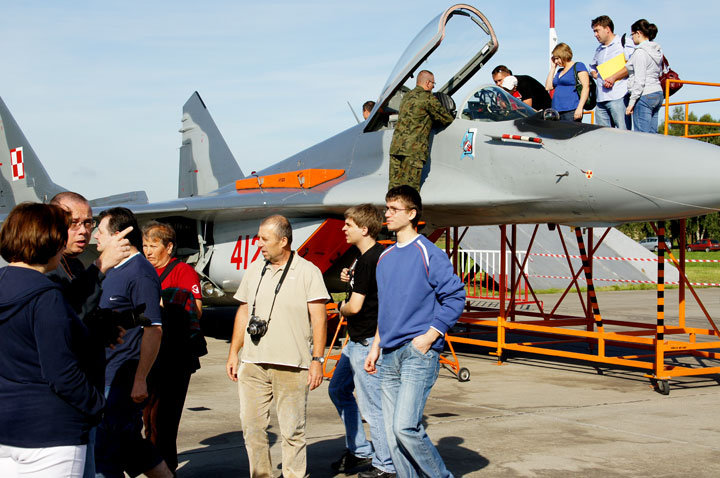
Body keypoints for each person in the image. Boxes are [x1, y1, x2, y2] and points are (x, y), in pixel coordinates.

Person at [365, 186, 465, 478]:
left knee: (405, 427)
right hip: (388, 355)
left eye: (394, 209)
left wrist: (430, 336)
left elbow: (455, 297)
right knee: (393, 437)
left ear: (412, 214)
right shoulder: (385, 258)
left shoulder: (428, 253)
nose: (387, 214)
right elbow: (387, 308)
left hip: (416, 354)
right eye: (387, 208)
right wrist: (375, 348)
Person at [0, 203, 105, 477]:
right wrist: (96, 405)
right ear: (51, 240)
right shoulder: (46, 297)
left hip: (6, 428)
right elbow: (62, 374)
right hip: (50, 433)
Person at [225, 215, 330, 478]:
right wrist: (233, 353)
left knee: (292, 431)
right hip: (253, 364)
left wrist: (317, 359)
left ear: (283, 241)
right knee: (252, 428)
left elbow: (319, 317)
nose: (258, 244)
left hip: (292, 366)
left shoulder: (308, 272)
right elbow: (244, 310)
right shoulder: (253, 270)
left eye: (264, 239)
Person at [47, 191, 132, 478]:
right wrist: (101, 266)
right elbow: (61, 320)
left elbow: (79, 316)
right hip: (62, 408)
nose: (84, 230)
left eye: (88, 222)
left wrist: (102, 327)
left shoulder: (73, 264)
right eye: (74, 223)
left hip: (85, 401)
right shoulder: (47, 268)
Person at [93, 207, 172, 478]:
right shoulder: (113, 269)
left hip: (122, 378)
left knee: (105, 453)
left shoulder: (140, 273)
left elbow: (153, 330)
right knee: (128, 444)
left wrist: (140, 379)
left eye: (100, 232)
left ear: (119, 236)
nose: (95, 238)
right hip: (106, 373)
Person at [328, 205, 395, 478]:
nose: (344, 228)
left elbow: (354, 307)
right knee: (338, 389)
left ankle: (385, 465)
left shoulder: (370, 259)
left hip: (367, 341)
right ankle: (360, 450)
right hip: (356, 341)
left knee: (372, 406)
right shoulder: (363, 257)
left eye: (349, 225)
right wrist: (350, 277)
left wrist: (337, 307)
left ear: (364, 229)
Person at [142, 221, 206, 475]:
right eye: (145, 245)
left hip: (174, 358)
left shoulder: (183, 272)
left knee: (164, 420)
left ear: (169, 247)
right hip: (149, 356)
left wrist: (163, 305)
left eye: (153, 246)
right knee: (148, 420)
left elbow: (197, 310)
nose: (147, 251)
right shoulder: (145, 272)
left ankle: (166, 468)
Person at [388, 70, 454, 191]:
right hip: (413, 151)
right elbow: (446, 119)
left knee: (394, 190)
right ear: (428, 83)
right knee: (409, 193)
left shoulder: (407, 96)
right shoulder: (428, 98)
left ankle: (391, 209)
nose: (434, 86)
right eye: (433, 83)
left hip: (396, 148)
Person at [605, 19, 664, 133]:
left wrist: (631, 103)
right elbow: (660, 72)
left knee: (642, 136)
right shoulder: (657, 51)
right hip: (657, 92)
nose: (631, 38)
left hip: (644, 95)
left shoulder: (640, 52)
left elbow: (640, 80)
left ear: (639, 33)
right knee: (653, 135)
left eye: (632, 34)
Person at [589, 15, 635, 129]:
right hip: (600, 100)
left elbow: (633, 65)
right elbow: (592, 67)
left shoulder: (624, 43)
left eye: (597, 31)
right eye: (594, 31)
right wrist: (595, 73)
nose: (595, 34)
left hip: (618, 97)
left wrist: (613, 77)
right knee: (603, 136)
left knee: (623, 134)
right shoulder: (599, 49)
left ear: (607, 29)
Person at [545, 42, 591, 122]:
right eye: (554, 59)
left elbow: (585, 87)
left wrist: (580, 107)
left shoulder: (578, 66)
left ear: (563, 55)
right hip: (556, 111)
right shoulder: (559, 71)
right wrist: (553, 68)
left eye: (557, 58)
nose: (556, 61)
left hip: (571, 110)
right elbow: (548, 87)